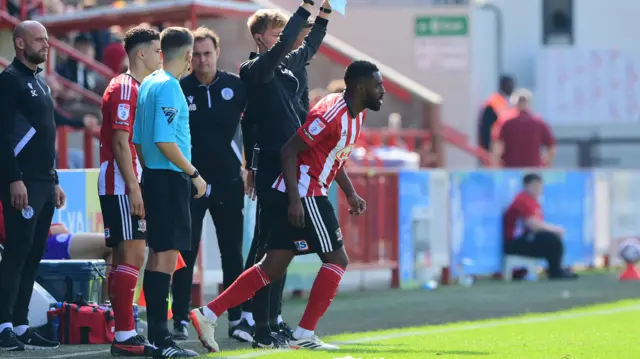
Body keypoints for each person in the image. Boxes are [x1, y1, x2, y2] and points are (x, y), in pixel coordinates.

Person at [190, 60, 385, 352]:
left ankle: (207, 314)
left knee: (271, 267)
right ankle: (304, 333)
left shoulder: (356, 114)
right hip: (306, 193)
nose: (382, 91)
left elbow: (335, 156)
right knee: (337, 259)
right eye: (378, 85)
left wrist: (350, 193)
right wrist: (294, 199)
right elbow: (290, 150)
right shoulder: (332, 112)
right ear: (360, 88)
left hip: (306, 191)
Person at [239, 0, 332, 348]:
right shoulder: (253, 70)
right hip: (273, 169)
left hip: (290, 167)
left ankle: (270, 321)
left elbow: (307, 46)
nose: (284, 40)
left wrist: (323, 16)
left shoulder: (286, 69)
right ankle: (258, 325)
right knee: (270, 249)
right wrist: (305, 9)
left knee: (283, 248)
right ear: (260, 39)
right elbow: (289, 43)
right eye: (276, 35)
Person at [132, 26, 205, 358]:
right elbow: (164, 139)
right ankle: (163, 342)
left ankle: (157, 338)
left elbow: (139, 142)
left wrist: (152, 172)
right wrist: (193, 173)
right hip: (169, 179)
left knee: (159, 257)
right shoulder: (170, 87)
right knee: (164, 259)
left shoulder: (147, 83)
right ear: (189, 55)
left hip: (154, 176)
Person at [172, 26, 247, 341]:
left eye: (207, 53)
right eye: (197, 55)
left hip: (229, 182)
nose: (202, 60)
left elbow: (253, 127)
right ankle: (178, 319)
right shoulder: (178, 88)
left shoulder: (236, 87)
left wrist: (250, 166)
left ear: (217, 53)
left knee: (232, 253)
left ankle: (238, 319)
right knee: (184, 254)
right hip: (190, 183)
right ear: (189, 57)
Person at [0, 20, 67, 352]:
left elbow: (46, 135)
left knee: (34, 254)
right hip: (22, 182)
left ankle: (21, 322)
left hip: (44, 183)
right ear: (20, 44)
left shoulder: (40, 83)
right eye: (39, 39)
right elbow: (2, 135)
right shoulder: (9, 81)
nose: (46, 44)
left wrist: (54, 179)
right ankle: (3, 323)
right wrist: (13, 178)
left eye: (47, 39)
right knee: (16, 252)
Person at [97, 26, 161, 356]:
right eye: (156, 50)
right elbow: (121, 143)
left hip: (128, 182)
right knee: (133, 255)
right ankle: (124, 335)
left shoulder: (139, 87)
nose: (160, 57)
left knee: (125, 257)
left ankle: (123, 330)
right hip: (122, 183)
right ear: (140, 54)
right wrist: (135, 189)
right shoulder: (124, 88)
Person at [503, 173, 578, 280]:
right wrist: (554, 229)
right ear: (527, 186)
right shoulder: (522, 200)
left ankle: (556, 268)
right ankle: (555, 271)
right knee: (549, 239)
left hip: (525, 240)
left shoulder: (533, 201)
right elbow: (532, 225)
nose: (539, 189)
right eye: (535, 186)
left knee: (551, 238)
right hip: (514, 244)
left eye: (540, 186)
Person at [490, 89, 556, 168]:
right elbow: (552, 148)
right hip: (533, 169)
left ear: (514, 103)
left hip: (510, 169)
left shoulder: (505, 121)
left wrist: (494, 165)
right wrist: (543, 163)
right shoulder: (539, 122)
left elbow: (497, 146)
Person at [478, 75, 514, 152]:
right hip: (491, 143)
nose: (512, 88)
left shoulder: (503, 101)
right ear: (502, 86)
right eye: (509, 85)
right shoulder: (496, 101)